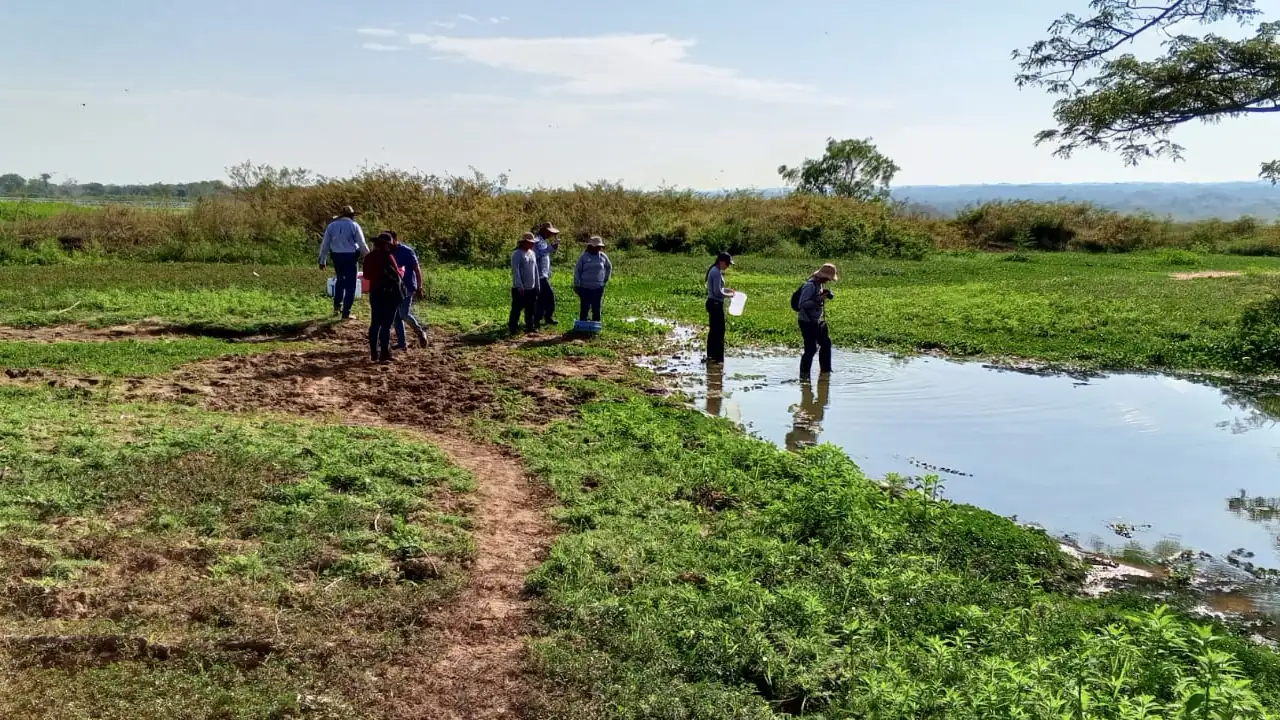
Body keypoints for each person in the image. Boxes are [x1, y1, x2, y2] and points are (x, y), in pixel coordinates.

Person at [319, 205, 370, 321]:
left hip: (336, 256)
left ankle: (337, 307)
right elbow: (362, 244)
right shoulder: (354, 226)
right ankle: (346, 312)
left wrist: (322, 260)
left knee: (340, 280)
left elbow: (325, 244)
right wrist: (369, 257)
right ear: (352, 215)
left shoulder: (331, 226)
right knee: (351, 284)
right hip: (351, 256)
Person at [362, 232, 404, 363]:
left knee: (375, 324)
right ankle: (384, 353)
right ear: (387, 245)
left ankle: (374, 353)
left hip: (375, 292)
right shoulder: (388, 257)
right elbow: (398, 275)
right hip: (390, 294)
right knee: (386, 325)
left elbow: (367, 276)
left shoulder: (369, 257)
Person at [797, 263, 839, 379]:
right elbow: (802, 304)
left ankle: (825, 371)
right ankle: (804, 376)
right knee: (811, 348)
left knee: (826, 343)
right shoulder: (810, 285)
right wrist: (818, 300)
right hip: (806, 321)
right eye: (827, 278)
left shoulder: (818, 284)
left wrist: (822, 294)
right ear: (822, 276)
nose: (828, 281)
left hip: (815, 320)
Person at [389, 231, 429, 350]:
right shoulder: (386, 251)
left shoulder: (406, 251)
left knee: (404, 314)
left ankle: (420, 332)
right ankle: (402, 343)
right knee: (396, 316)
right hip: (393, 287)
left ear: (395, 240)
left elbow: (417, 269)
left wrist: (420, 286)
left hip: (407, 286)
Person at [785, 374, 830, 452]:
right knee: (816, 399)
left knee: (810, 397)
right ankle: (823, 377)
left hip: (806, 422)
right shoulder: (808, 438)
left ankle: (808, 378)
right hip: (808, 422)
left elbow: (788, 437)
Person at [705, 252, 736, 364]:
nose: (727, 266)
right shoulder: (716, 272)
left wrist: (728, 290)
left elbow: (719, 289)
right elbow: (717, 292)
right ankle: (716, 358)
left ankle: (712, 356)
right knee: (719, 331)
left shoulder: (715, 270)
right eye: (727, 263)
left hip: (713, 303)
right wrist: (729, 296)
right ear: (721, 261)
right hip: (715, 304)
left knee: (714, 331)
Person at [572, 236, 612, 322]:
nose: (598, 248)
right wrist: (576, 284)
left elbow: (609, 267)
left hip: (598, 287)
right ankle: (583, 325)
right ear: (591, 246)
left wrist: (605, 279)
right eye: (596, 246)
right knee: (585, 307)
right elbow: (577, 270)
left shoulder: (603, 256)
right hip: (584, 287)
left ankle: (595, 325)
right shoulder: (584, 257)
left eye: (599, 247)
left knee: (596, 307)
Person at [509, 233, 540, 334]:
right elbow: (515, 270)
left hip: (531, 286)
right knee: (517, 308)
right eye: (530, 243)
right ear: (524, 242)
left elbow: (535, 269)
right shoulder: (517, 254)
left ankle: (530, 326)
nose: (532, 245)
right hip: (520, 287)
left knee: (531, 308)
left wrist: (537, 284)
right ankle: (513, 327)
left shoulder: (532, 253)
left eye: (532, 243)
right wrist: (519, 285)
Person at [533, 221, 560, 326]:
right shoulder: (537, 241)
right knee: (549, 296)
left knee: (542, 298)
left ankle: (539, 319)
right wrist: (550, 248)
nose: (550, 234)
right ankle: (545, 317)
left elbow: (545, 257)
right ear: (544, 231)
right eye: (549, 232)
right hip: (539, 275)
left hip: (544, 274)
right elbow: (536, 255)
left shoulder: (543, 241)